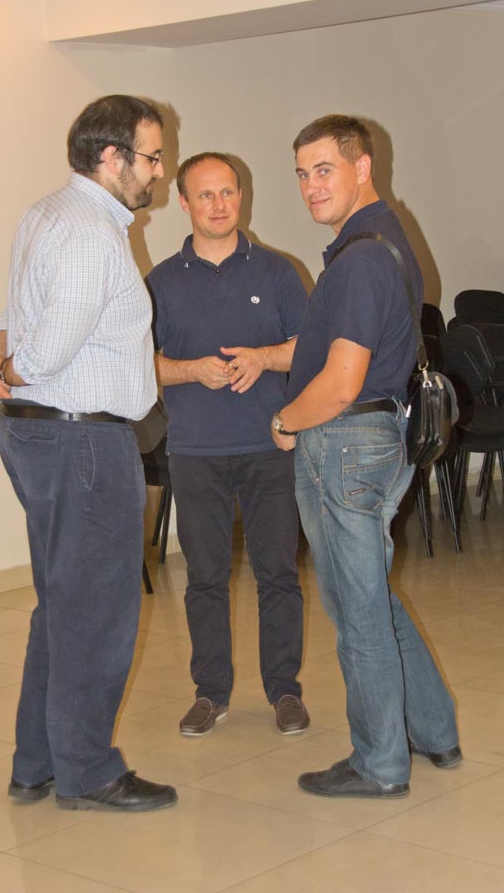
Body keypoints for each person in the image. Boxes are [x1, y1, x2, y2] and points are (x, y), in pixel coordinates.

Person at [0, 95, 177, 813]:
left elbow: (14, 314)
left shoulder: (48, 214)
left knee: (62, 603)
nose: (159, 170)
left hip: (44, 436)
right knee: (96, 612)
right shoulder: (90, 232)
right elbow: (48, 347)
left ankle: (38, 762)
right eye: (151, 156)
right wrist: (7, 371)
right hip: (82, 440)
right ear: (111, 158)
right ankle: (86, 772)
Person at [271, 115, 460, 798]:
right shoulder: (386, 239)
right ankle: (433, 730)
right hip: (378, 438)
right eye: (302, 174)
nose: (311, 187)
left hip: (343, 444)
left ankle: (379, 764)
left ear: (362, 167)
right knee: (370, 596)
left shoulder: (357, 260)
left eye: (324, 169)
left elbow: (341, 380)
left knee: (358, 614)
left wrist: (285, 420)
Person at [146, 152, 310, 736]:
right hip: (195, 451)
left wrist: (264, 358)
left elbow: (309, 349)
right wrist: (191, 370)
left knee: (278, 574)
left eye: (228, 193)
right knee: (205, 579)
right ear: (183, 203)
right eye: (205, 195)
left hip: (270, 447)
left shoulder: (278, 272)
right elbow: (141, 365)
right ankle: (210, 692)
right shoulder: (160, 283)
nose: (219, 205)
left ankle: (284, 690)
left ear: (242, 197)